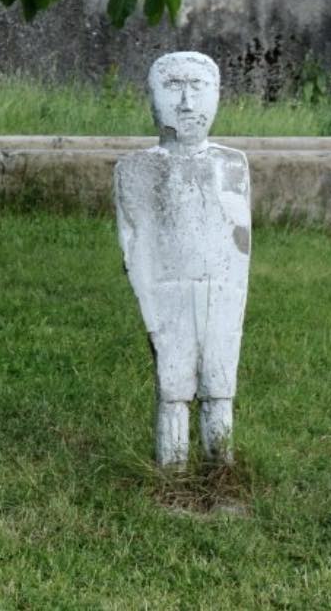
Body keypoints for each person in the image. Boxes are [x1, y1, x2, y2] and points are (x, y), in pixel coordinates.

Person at [114, 51, 251, 469]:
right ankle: (172, 473)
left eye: (199, 88)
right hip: (165, 291)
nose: (187, 103)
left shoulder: (232, 164)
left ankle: (220, 469)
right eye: (173, 87)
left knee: (220, 381)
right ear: (152, 96)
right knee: (173, 384)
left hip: (222, 291)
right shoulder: (135, 170)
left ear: (217, 95)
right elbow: (135, 246)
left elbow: (239, 247)